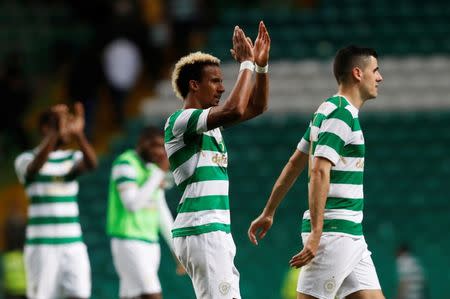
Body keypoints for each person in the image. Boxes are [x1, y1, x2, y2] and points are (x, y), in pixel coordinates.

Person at [248, 45, 384, 299]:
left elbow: (294, 163)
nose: (379, 77)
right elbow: (319, 171)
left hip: (351, 234)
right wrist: (317, 233)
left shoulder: (326, 110)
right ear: (358, 73)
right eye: (375, 71)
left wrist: (269, 211)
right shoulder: (341, 115)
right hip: (333, 234)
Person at [164, 21, 271, 299]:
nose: (222, 88)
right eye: (215, 81)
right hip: (202, 229)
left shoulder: (210, 127)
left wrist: (260, 66)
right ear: (193, 85)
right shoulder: (180, 121)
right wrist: (245, 64)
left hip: (213, 229)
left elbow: (257, 106)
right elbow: (235, 109)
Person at [14, 102, 98, 299]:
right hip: (42, 247)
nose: (66, 126)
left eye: (68, 122)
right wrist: (54, 133)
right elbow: (34, 169)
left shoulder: (71, 157)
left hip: (73, 244)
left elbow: (91, 164)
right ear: (46, 128)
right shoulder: (25, 159)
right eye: (61, 122)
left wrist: (79, 135)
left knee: (80, 294)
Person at [106, 125, 185, 299]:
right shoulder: (125, 164)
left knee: (131, 295)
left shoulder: (151, 169)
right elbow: (132, 205)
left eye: (161, 147)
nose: (159, 152)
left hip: (150, 241)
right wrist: (159, 173)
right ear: (142, 143)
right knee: (152, 293)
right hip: (128, 240)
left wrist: (176, 248)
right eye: (155, 145)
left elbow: (161, 209)